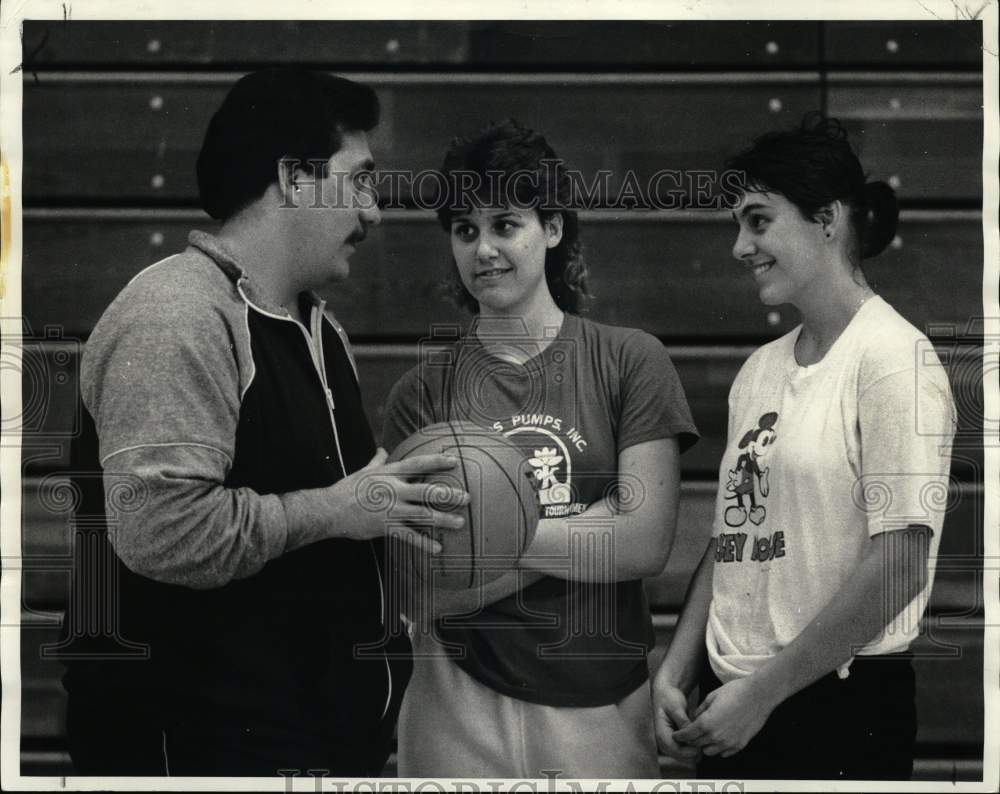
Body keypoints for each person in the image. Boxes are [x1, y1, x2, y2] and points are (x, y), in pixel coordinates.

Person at [61, 67, 468, 777]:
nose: (374, 212)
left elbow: (343, 520)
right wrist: (333, 510)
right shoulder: (178, 316)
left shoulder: (318, 329)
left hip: (322, 746)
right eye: (359, 179)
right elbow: (164, 533)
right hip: (198, 753)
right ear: (295, 178)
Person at [381, 120, 699, 778]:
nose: (484, 249)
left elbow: (643, 540)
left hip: (602, 711)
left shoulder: (628, 360)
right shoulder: (421, 392)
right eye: (465, 230)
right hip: (457, 705)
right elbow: (420, 588)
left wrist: (479, 534)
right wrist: (594, 525)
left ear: (552, 228)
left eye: (505, 224)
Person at [652, 112, 957, 780]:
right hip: (732, 708)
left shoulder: (893, 360)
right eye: (738, 223)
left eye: (758, 220)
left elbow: (902, 561)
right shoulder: (760, 369)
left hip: (838, 709)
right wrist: (675, 670)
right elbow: (736, 534)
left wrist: (761, 696)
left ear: (827, 218)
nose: (739, 245)